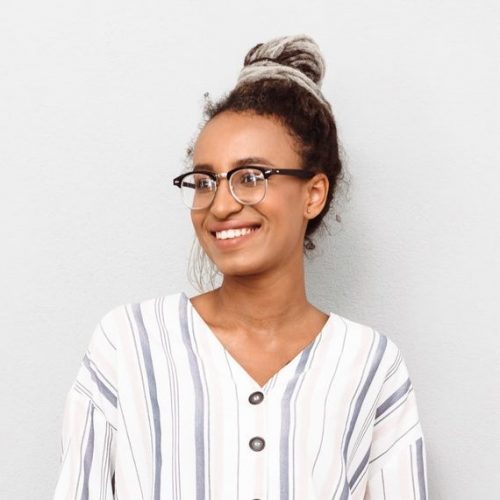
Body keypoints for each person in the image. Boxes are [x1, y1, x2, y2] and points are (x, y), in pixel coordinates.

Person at [53, 34, 428, 499]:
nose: (221, 204)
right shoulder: (129, 344)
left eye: (251, 177)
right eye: (205, 181)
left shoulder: (371, 365)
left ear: (313, 194)